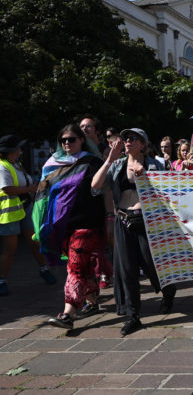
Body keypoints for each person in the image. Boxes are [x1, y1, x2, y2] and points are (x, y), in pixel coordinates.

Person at [91, 128, 177, 336]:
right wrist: (109, 160)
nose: (127, 141)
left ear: (143, 143)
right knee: (127, 270)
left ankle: (168, 290)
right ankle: (133, 315)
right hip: (123, 220)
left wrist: (145, 175)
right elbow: (95, 185)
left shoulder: (155, 164)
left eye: (133, 138)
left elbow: (168, 192)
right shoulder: (118, 164)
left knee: (152, 264)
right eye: (125, 138)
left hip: (148, 221)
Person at [41, 125, 106, 329]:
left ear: (81, 140)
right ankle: (93, 300)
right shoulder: (52, 164)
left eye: (72, 139)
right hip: (63, 224)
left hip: (87, 223)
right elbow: (44, 195)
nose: (67, 143)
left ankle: (68, 314)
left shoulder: (92, 162)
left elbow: (100, 189)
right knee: (83, 267)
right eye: (63, 140)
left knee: (75, 267)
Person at [0, 135, 56, 296]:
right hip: (9, 212)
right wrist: (31, 188)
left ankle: (44, 269)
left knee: (35, 240)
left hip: (25, 207)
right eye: (17, 148)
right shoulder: (2, 166)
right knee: (9, 248)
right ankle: (2, 281)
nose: (20, 150)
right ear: (10, 151)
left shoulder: (16, 164)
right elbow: (7, 189)